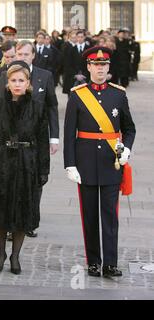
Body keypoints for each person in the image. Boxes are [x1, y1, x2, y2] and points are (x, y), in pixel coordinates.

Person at [64, 46, 136, 278]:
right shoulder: (77, 94)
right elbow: (69, 133)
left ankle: (111, 263)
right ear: (88, 67)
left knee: (110, 216)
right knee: (90, 216)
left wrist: (127, 149)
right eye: (96, 65)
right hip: (84, 162)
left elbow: (129, 128)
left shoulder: (118, 94)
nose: (100, 68)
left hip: (110, 162)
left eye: (104, 65)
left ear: (108, 67)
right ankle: (94, 262)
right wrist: (70, 164)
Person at [0, 61, 49, 274]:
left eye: (21, 80)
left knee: (23, 211)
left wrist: (43, 169)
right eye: (13, 80)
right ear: (7, 83)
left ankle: (15, 256)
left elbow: (43, 140)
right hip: (1, 162)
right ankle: (0, 254)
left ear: (28, 83)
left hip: (27, 163)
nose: (17, 84)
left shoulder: (37, 107)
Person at [0, 40, 59, 238]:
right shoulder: (6, 75)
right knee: (9, 182)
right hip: (10, 137)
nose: (21, 58)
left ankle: (29, 219)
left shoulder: (45, 76)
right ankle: (8, 222)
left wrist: (54, 137)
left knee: (34, 182)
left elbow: (51, 106)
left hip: (35, 135)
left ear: (33, 56)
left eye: (25, 54)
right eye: (19, 54)